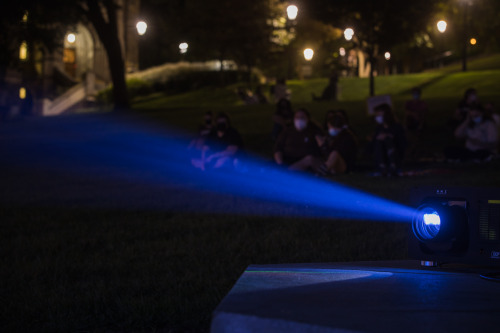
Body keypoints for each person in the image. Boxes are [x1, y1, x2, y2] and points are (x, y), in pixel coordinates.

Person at [369, 103, 407, 177]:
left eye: (379, 114)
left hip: (395, 153)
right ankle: (382, 166)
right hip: (382, 153)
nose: (377, 117)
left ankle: (393, 165)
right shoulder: (379, 128)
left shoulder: (396, 127)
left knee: (387, 140)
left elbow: (402, 142)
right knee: (380, 141)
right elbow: (372, 145)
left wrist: (389, 136)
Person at [404, 87, 428, 160]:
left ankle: (414, 152)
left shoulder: (423, 104)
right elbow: (406, 113)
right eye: (414, 93)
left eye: (417, 93)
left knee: (416, 139)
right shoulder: (408, 103)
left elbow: (423, 115)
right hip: (410, 123)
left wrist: (420, 124)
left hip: (418, 123)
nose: (415, 95)